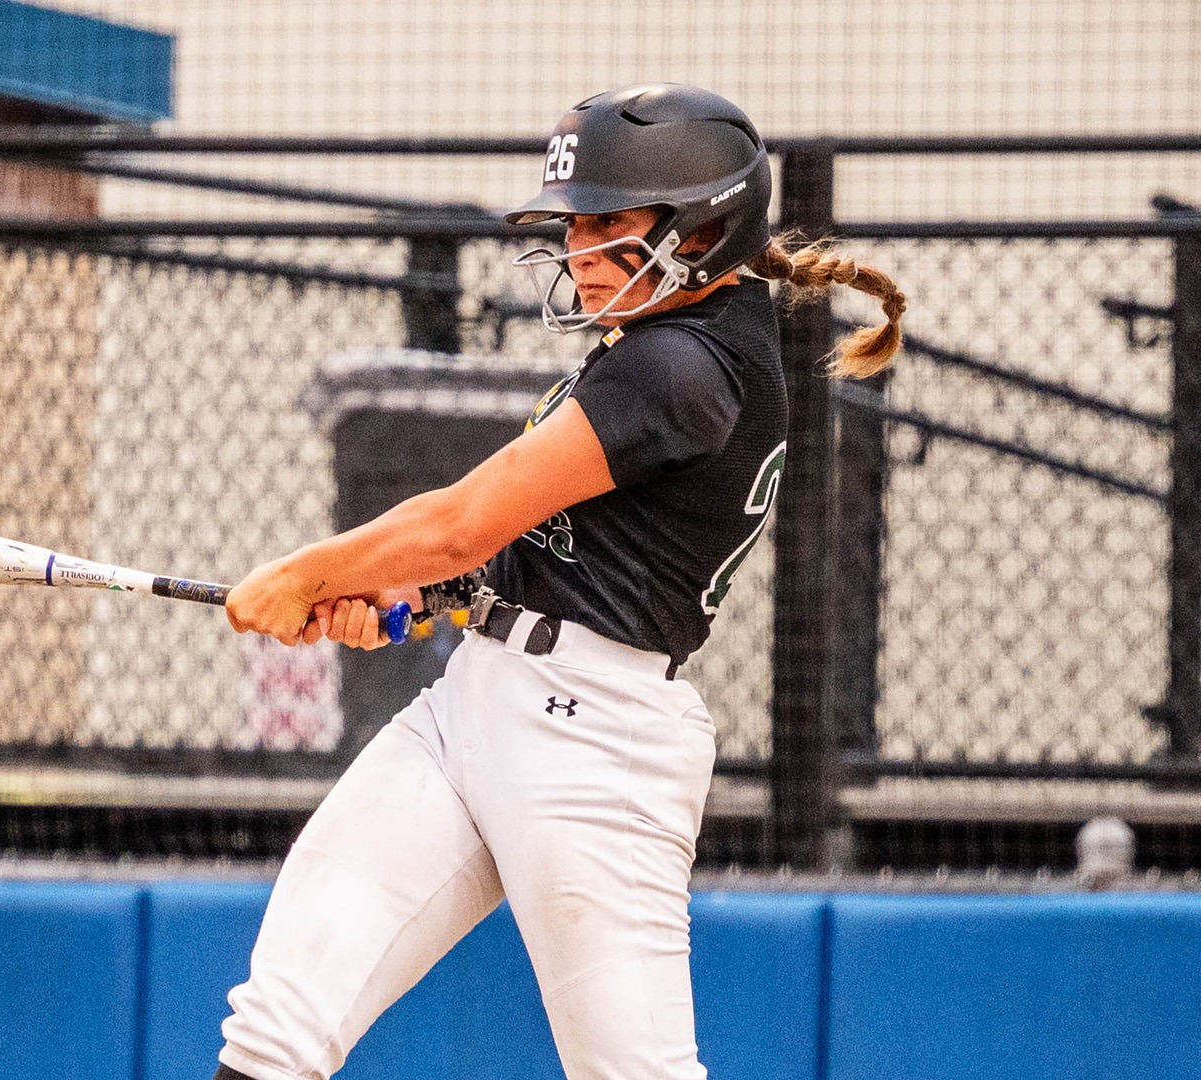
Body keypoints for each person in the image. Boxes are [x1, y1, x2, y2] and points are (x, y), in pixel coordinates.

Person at [218, 83, 906, 1080]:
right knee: (281, 1020)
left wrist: (303, 574)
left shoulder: (683, 367)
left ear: (704, 228)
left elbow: (462, 518)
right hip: (475, 709)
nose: (579, 250)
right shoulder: (667, 341)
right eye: (574, 223)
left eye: (607, 224)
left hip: (597, 747)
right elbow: (552, 545)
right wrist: (417, 600)